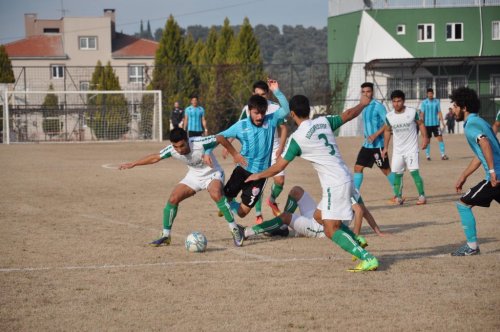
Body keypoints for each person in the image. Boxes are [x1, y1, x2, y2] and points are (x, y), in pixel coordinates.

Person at [246, 93, 379, 272]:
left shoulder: (297, 138)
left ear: (292, 114)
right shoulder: (323, 122)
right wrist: (362, 104)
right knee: (318, 216)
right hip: (345, 177)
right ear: (308, 110)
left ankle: (367, 258)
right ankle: (356, 241)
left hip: (335, 184)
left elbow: (278, 167)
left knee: (331, 230)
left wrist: (258, 175)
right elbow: (348, 114)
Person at [119, 127, 245, 247]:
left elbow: (220, 138)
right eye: (175, 146)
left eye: (181, 146)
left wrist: (235, 154)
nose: (179, 150)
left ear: (187, 140)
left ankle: (234, 229)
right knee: (173, 198)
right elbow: (155, 157)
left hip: (213, 173)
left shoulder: (199, 143)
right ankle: (166, 235)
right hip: (194, 176)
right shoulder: (172, 149)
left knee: (216, 194)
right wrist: (134, 163)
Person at [216, 79, 290, 221]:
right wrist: (234, 153)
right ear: (249, 111)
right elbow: (220, 137)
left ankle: (232, 205)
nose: (260, 116)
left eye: (262, 113)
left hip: (260, 174)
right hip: (242, 168)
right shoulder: (241, 124)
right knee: (226, 197)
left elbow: (286, 110)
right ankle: (227, 203)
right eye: (256, 113)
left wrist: (277, 91)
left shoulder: (271, 119)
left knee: (242, 213)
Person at [449, 87, 500, 256]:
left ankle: (471, 247)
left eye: (455, 106)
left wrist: (492, 172)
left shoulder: (471, 125)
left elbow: (484, 143)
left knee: (463, 204)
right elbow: (481, 154)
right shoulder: (481, 122)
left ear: (464, 107)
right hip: (497, 174)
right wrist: (464, 175)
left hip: (496, 177)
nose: (453, 110)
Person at [245, 186, 387, 240]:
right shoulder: (342, 182)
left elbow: (361, 210)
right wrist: (378, 231)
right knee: (296, 191)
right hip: (315, 214)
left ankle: (246, 233)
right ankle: (282, 228)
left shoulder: (346, 187)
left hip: (321, 227)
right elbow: (363, 210)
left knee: (284, 217)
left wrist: (355, 236)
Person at [382, 90, 429, 205]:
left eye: (399, 101)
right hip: (398, 151)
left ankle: (422, 196)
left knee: (414, 173)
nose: (396, 104)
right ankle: (398, 197)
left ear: (403, 101)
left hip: (411, 149)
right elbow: (387, 131)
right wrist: (385, 148)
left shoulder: (412, 112)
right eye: (394, 101)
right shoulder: (389, 116)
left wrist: (425, 138)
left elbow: (421, 124)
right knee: (397, 174)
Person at [353, 82, 395, 195]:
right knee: (357, 168)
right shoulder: (363, 106)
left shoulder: (378, 106)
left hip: (378, 145)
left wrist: (375, 135)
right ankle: (355, 195)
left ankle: (398, 193)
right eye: (363, 92)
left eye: (368, 91)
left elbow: (388, 124)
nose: (366, 94)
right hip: (367, 145)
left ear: (372, 92)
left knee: (386, 170)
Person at [419, 88, 448, 160]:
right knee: (428, 140)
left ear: (433, 94)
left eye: (431, 93)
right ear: (427, 94)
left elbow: (439, 112)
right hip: (427, 124)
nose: (430, 95)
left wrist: (442, 122)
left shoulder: (436, 101)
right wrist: (421, 121)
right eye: (428, 93)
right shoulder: (424, 102)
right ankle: (428, 156)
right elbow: (422, 113)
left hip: (436, 124)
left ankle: (443, 155)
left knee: (440, 139)